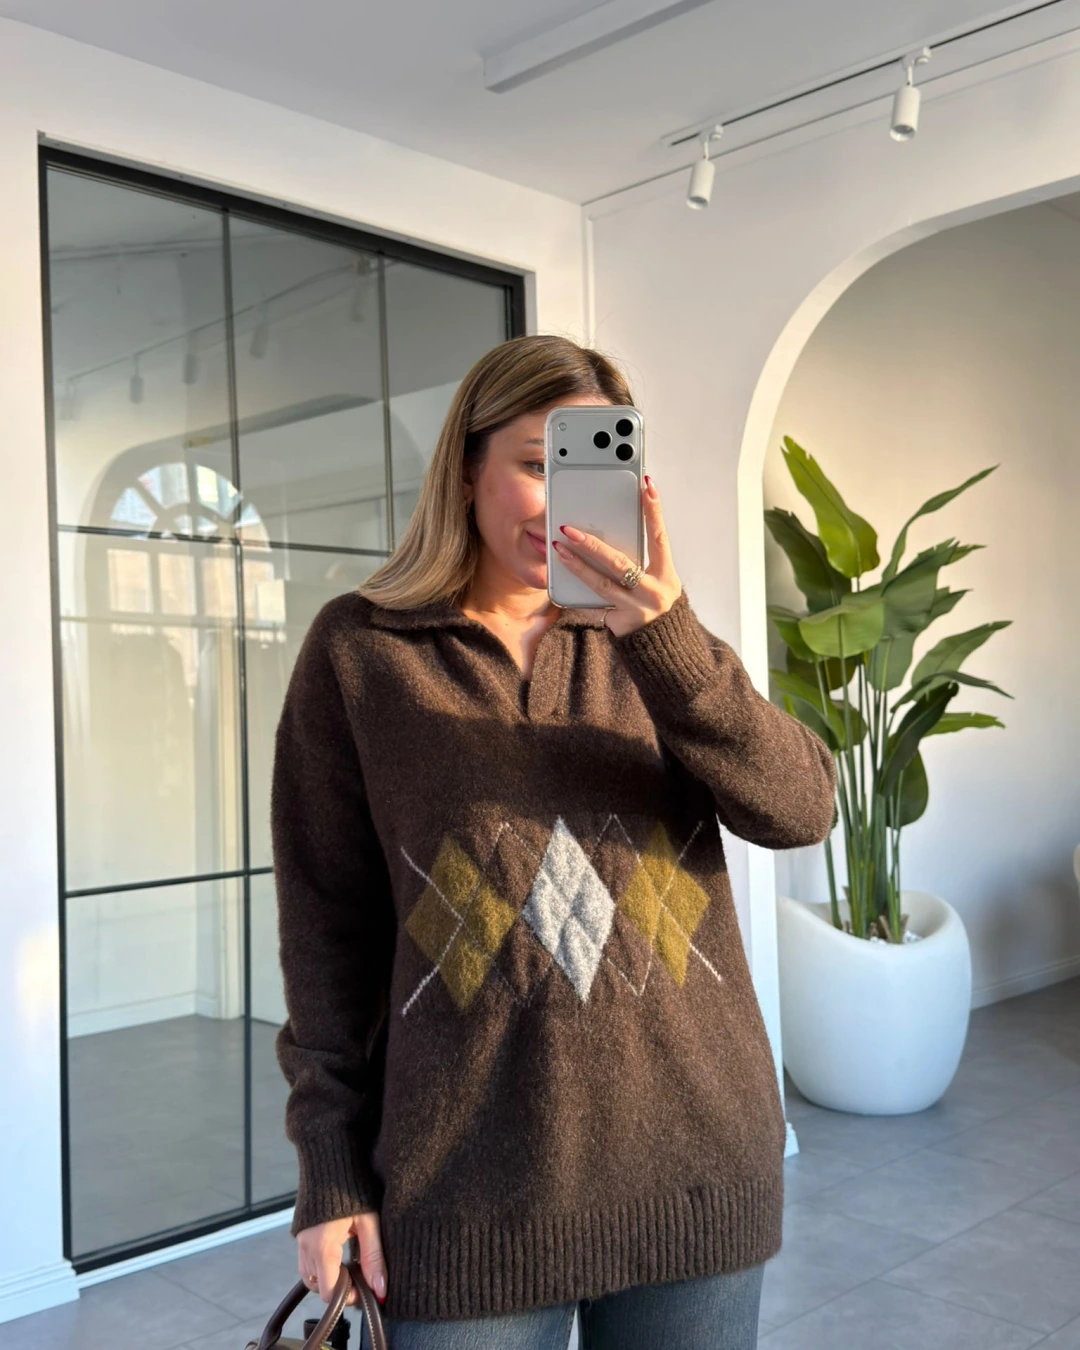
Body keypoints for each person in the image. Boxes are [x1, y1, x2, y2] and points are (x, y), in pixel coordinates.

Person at [271, 333, 836, 1349]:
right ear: (466, 468)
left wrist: (665, 641)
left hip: (695, 1171)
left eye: (589, 468)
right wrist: (330, 1169)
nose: (561, 502)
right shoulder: (360, 654)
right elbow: (327, 938)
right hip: (465, 1195)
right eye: (538, 463)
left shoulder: (661, 649)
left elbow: (800, 812)